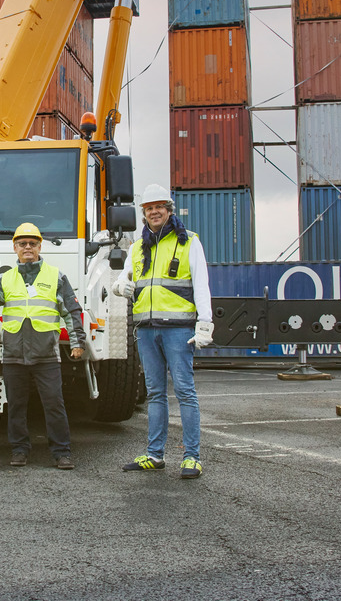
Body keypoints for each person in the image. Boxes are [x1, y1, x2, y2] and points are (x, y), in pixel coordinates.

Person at [112, 184, 214, 479]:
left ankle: (192, 457)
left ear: (169, 210)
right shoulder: (136, 247)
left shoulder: (189, 242)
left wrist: (204, 322)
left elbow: (201, 285)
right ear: (144, 214)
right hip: (146, 329)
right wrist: (121, 287)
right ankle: (155, 455)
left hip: (179, 330)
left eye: (160, 207)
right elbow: (120, 281)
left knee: (184, 391)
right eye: (149, 208)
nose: (154, 211)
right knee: (156, 393)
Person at [0, 222, 86, 470]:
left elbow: (71, 310)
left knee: (54, 405)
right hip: (14, 355)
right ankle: (19, 450)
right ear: (14, 247)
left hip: (46, 355)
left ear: (39, 246)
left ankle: (62, 453)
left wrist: (77, 341)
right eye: (22, 244)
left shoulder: (56, 276)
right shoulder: (5, 278)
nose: (28, 247)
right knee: (16, 405)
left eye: (32, 243)